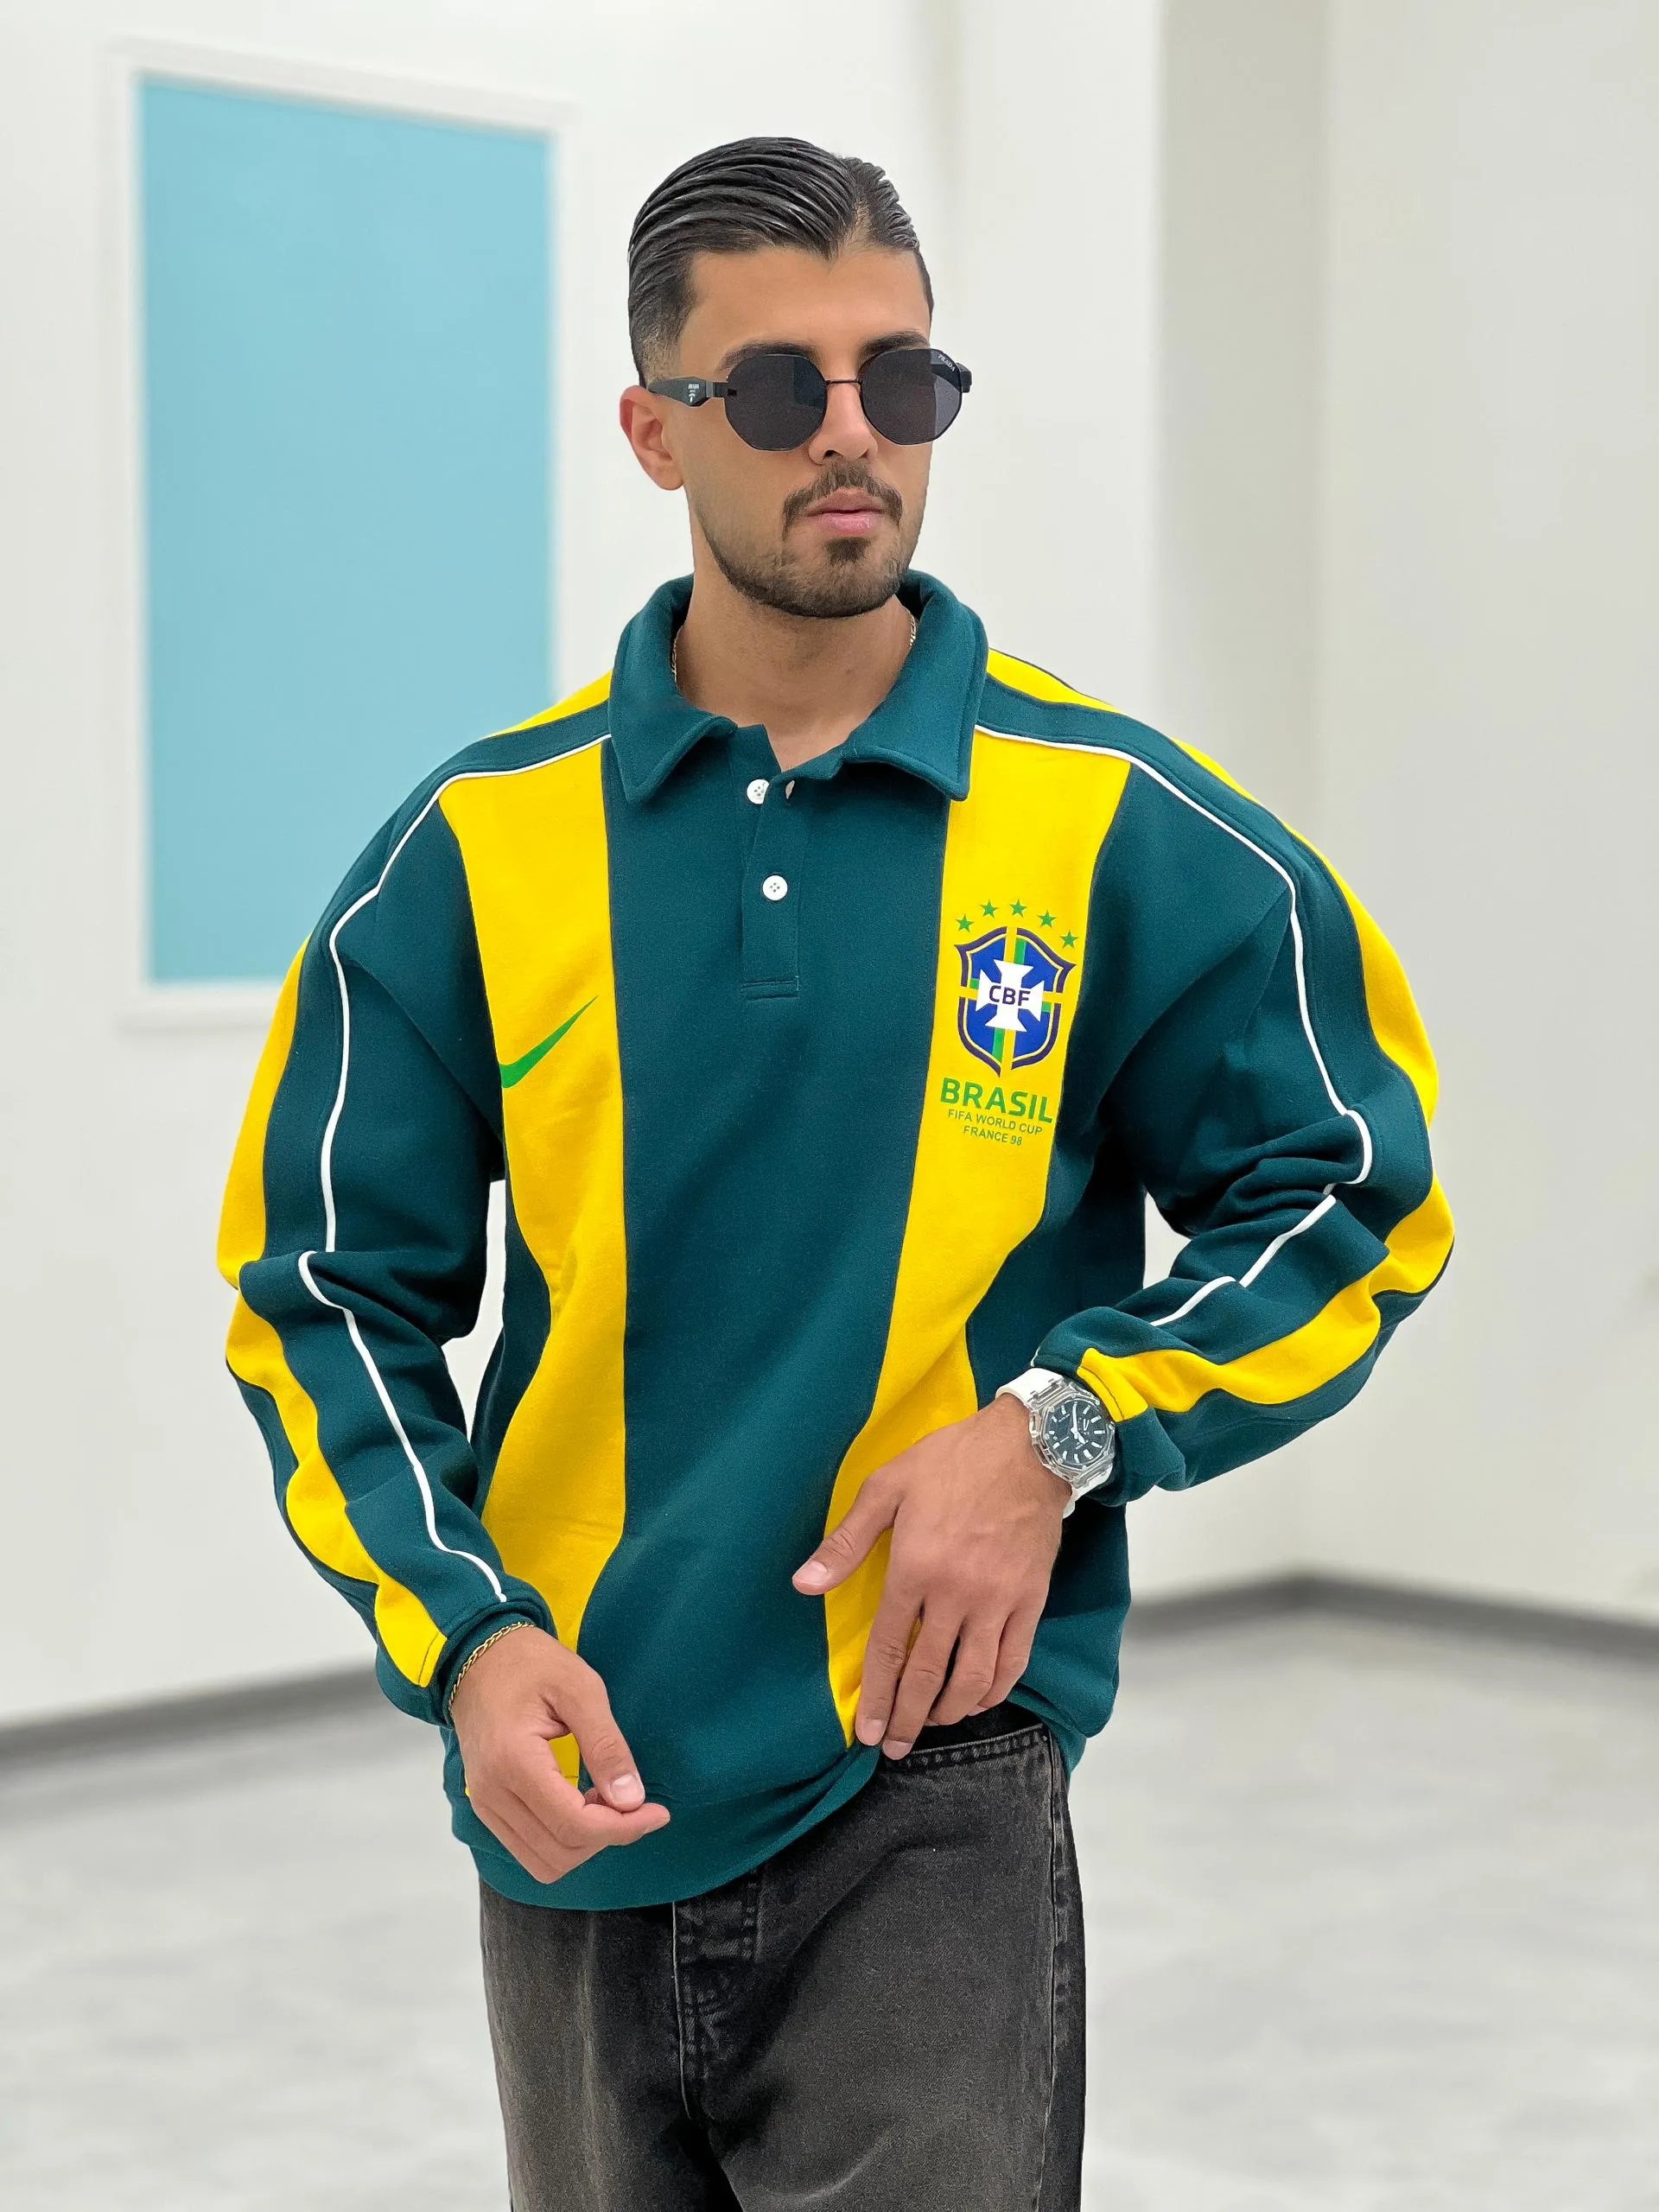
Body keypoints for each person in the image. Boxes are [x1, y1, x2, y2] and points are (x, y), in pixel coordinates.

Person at [218, 136, 1452, 2211]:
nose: (854, 435)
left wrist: (1059, 1429)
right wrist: (465, 1638)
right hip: (581, 1774)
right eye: (782, 388)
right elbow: (323, 1290)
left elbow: (1354, 1190)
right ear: (656, 430)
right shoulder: (472, 851)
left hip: (936, 1775)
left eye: (907, 379)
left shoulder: (1117, 820)